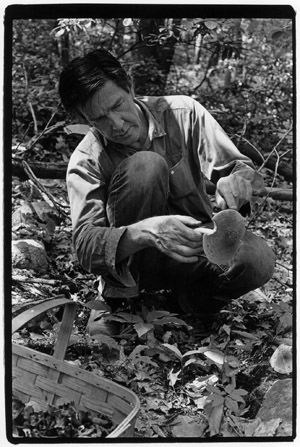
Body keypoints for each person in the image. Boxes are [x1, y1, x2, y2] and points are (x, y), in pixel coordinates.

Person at [58, 48, 275, 336]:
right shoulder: (87, 158)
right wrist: (146, 231)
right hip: (134, 263)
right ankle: (121, 300)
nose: (117, 124)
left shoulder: (183, 113)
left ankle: (187, 303)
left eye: (118, 106)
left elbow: (242, 171)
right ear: (87, 119)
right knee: (146, 166)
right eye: (99, 119)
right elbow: (85, 246)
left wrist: (238, 180)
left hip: (194, 249)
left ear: (129, 86)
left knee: (258, 259)